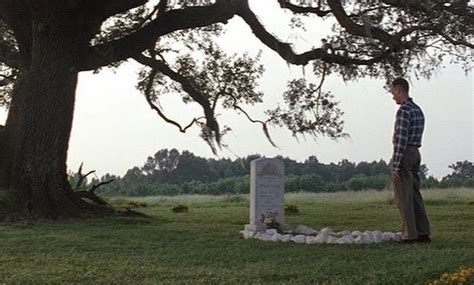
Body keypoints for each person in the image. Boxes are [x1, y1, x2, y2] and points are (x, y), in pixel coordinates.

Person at [390, 78, 431, 244]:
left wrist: (396, 164)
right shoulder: (418, 110)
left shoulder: (404, 110)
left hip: (405, 153)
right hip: (416, 152)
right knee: (415, 194)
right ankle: (423, 232)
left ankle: (409, 234)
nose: (393, 97)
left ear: (399, 90)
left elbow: (400, 139)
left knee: (403, 197)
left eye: (393, 93)